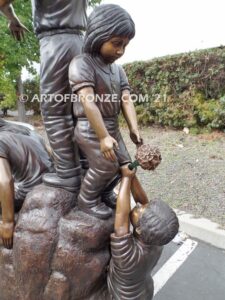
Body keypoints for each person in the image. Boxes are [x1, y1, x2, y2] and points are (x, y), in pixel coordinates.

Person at [0, 0, 88, 192]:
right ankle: (86, 169)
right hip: (81, 42)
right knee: (80, 111)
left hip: (55, 44)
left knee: (55, 112)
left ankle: (68, 175)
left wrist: (12, 18)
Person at [69, 4, 143, 219]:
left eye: (125, 45)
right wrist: (102, 137)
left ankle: (105, 192)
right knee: (106, 166)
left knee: (128, 166)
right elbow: (88, 102)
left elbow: (126, 99)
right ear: (97, 36)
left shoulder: (118, 70)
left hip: (112, 126)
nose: (120, 51)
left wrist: (134, 128)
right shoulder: (82, 63)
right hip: (90, 129)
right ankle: (86, 201)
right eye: (116, 44)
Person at [107, 165, 179, 300]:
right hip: (144, 290)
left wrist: (126, 178)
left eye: (139, 211)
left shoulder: (129, 256)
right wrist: (133, 177)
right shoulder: (157, 238)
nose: (139, 206)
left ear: (139, 229)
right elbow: (143, 202)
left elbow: (121, 218)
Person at [0, 119, 54, 249]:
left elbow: (5, 181)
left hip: (27, 193)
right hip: (48, 182)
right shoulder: (26, 129)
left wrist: (8, 222)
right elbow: (50, 153)